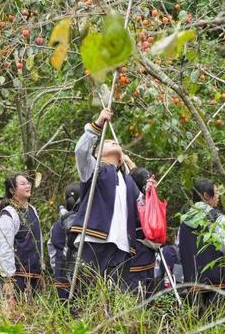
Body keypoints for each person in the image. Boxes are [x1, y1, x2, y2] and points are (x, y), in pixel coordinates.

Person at [70, 108, 140, 290]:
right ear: (97, 153)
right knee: (87, 291)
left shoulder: (128, 181)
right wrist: (98, 124)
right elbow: (80, 152)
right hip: (95, 239)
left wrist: (128, 162)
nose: (113, 142)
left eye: (115, 142)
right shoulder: (94, 170)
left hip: (122, 245)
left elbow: (144, 205)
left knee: (114, 296)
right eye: (108, 142)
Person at [179, 179, 225, 310]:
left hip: (193, 283)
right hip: (219, 282)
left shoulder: (183, 222)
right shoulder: (216, 217)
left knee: (199, 323)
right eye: (216, 193)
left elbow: (181, 250)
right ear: (206, 195)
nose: (218, 196)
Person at [0, 174, 43, 299]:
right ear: (12, 190)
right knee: (15, 316)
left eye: (28, 183)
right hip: (16, 277)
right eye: (23, 184)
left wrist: (41, 271)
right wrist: (8, 280)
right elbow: (4, 247)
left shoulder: (32, 210)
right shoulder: (8, 214)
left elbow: (38, 242)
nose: (28, 185)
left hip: (33, 275)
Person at [124, 167, 157, 296]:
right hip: (143, 253)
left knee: (135, 292)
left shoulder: (131, 199)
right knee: (143, 291)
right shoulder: (146, 202)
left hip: (137, 254)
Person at [47, 183, 81, 299]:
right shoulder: (85, 222)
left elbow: (51, 250)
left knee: (65, 310)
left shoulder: (57, 225)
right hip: (81, 274)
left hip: (61, 274)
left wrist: (56, 271)